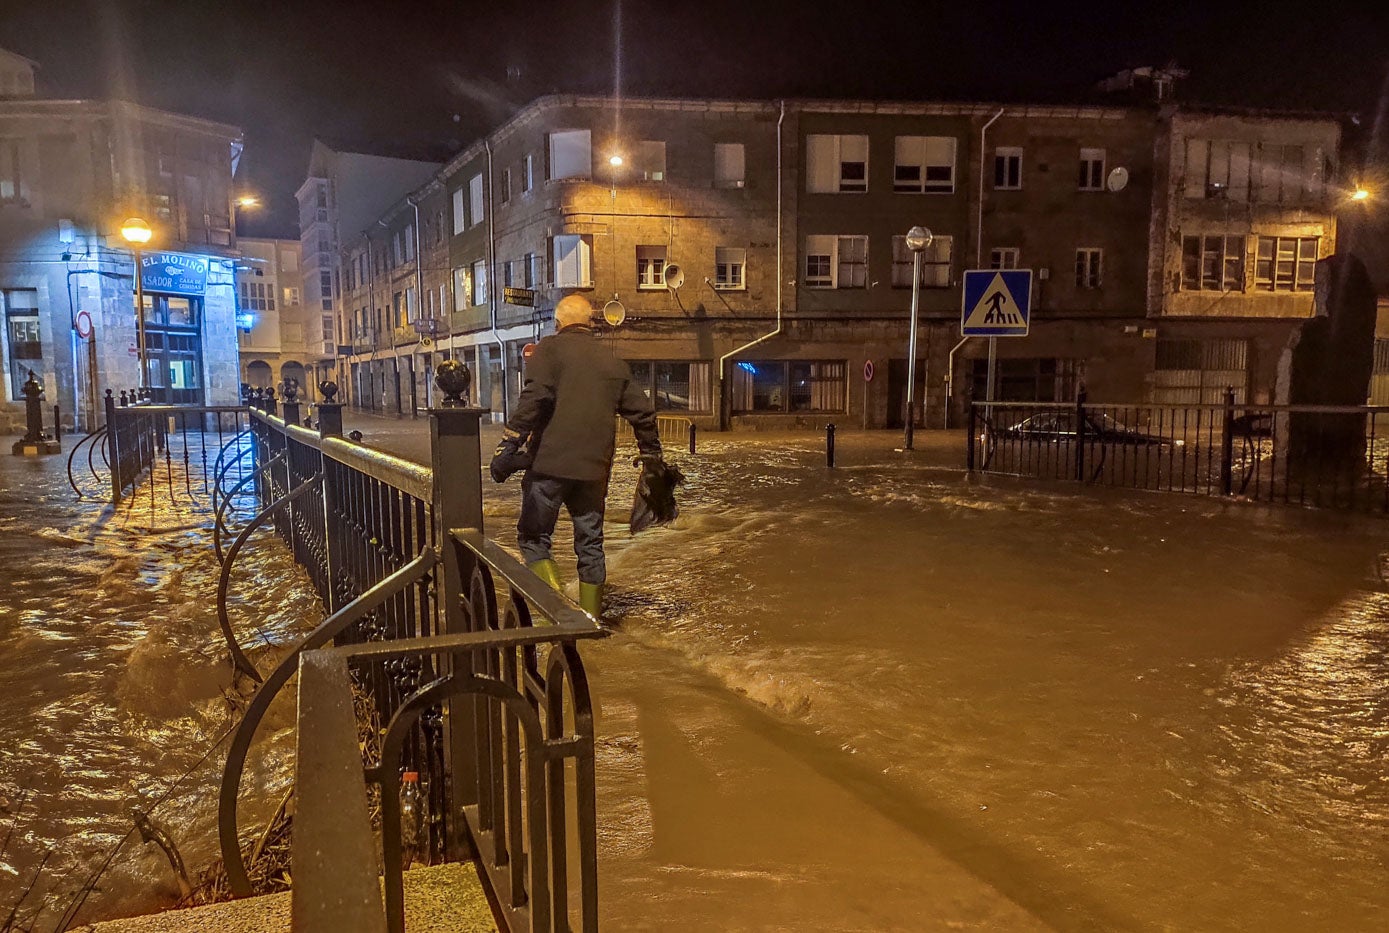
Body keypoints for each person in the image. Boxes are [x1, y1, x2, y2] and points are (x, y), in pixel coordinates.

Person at [490, 295, 662, 619]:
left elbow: (534, 398)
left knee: (533, 538)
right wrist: (651, 454)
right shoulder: (611, 360)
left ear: (557, 323)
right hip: (594, 471)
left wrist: (509, 445)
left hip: (547, 468)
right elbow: (643, 413)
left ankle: (557, 615)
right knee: (591, 545)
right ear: (591, 322)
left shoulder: (549, 350)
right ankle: (591, 623)